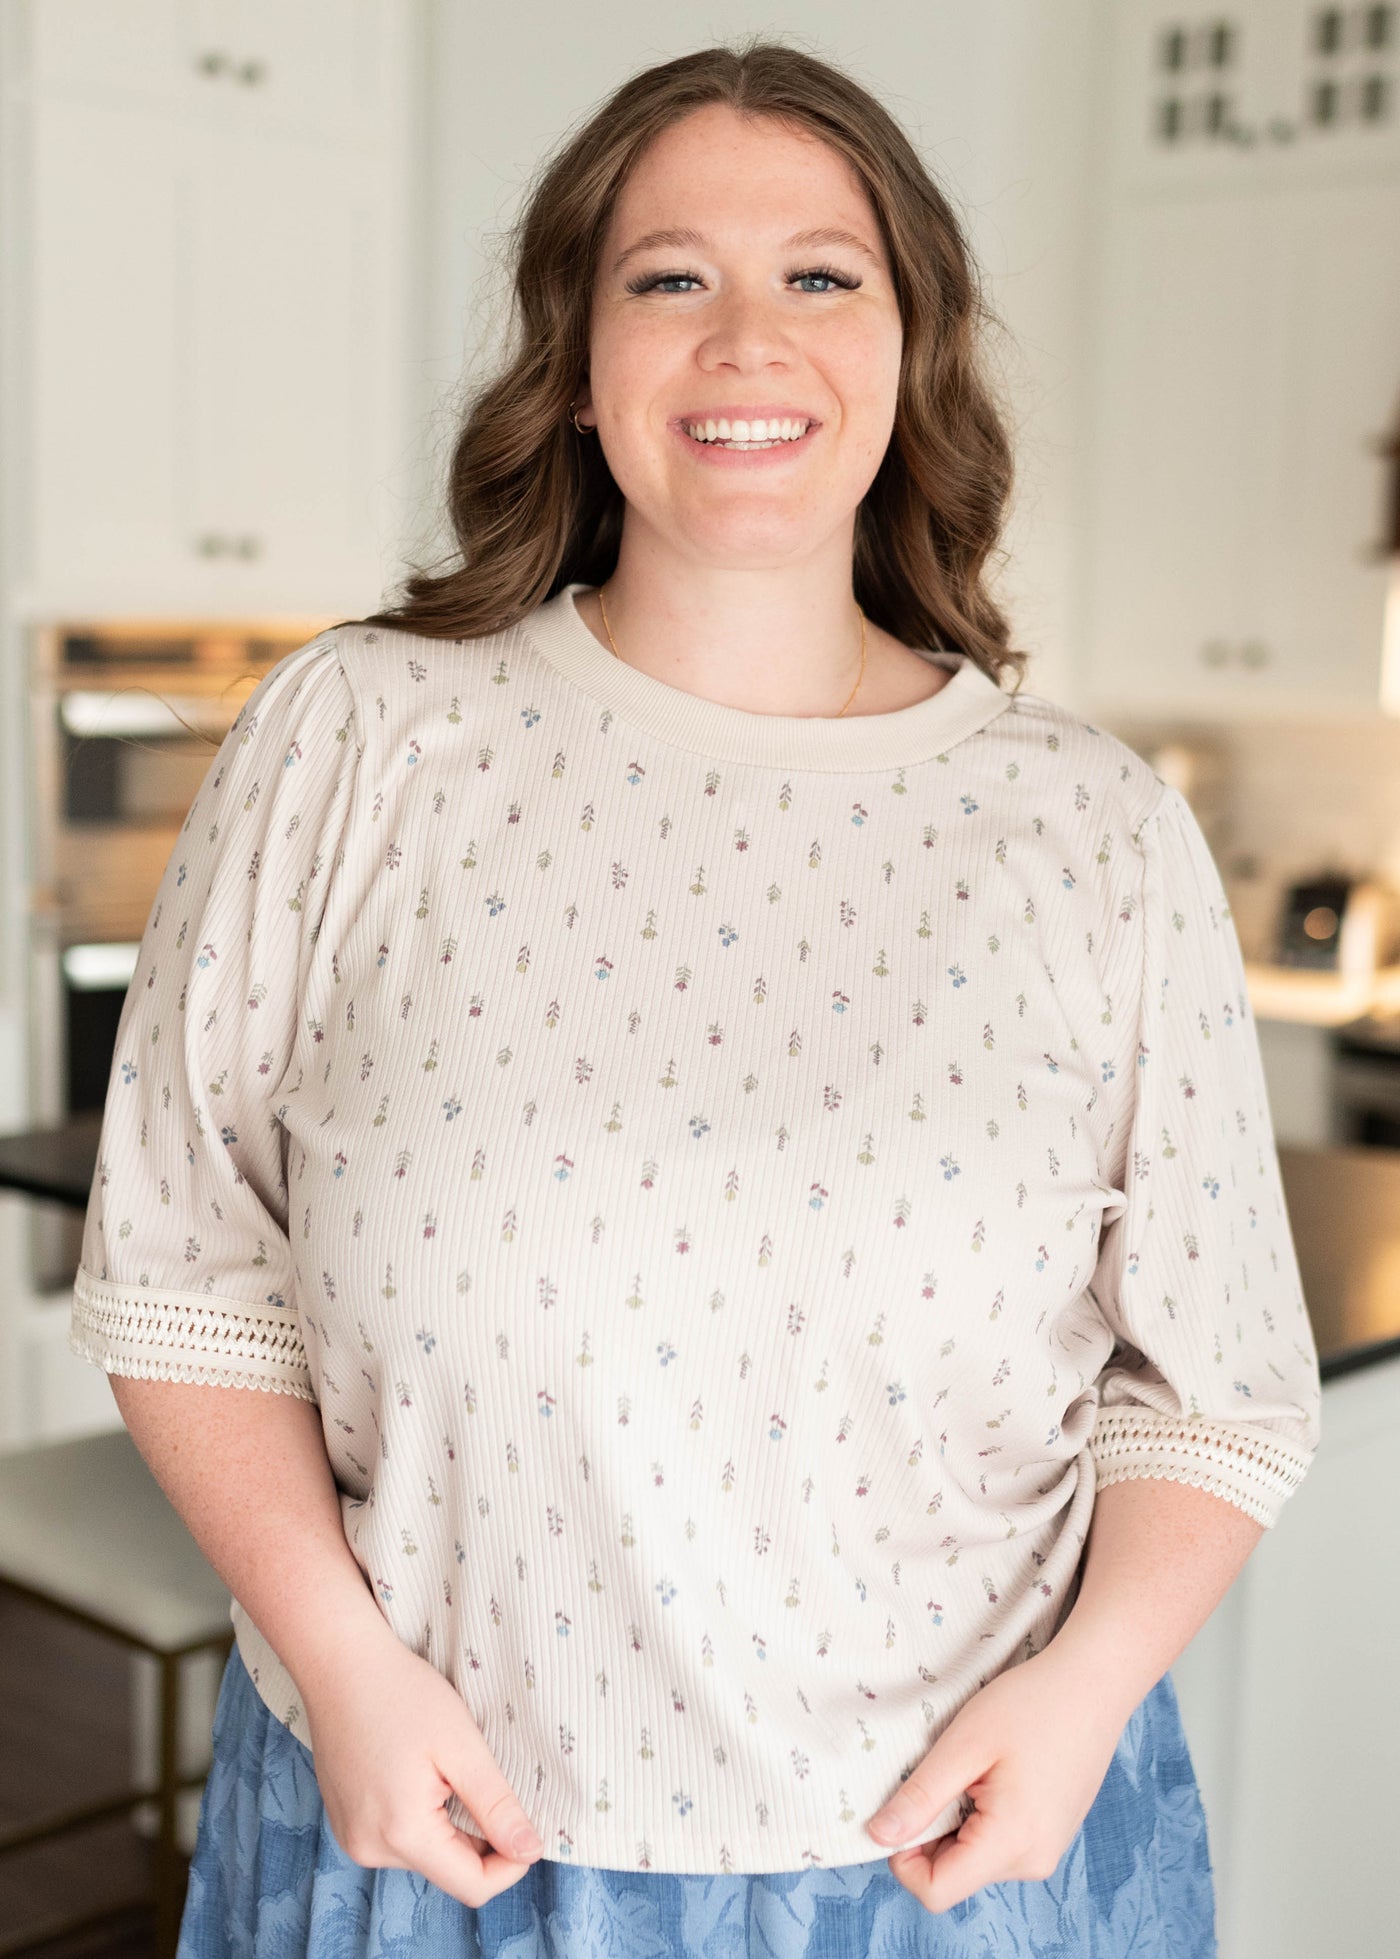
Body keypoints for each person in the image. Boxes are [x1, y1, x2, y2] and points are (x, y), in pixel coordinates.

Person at [70, 35, 1321, 1959]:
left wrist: (1082, 1704)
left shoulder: (1091, 829)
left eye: (824, 277)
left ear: (913, 357)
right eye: (672, 278)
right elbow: (179, 1269)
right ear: (577, 364)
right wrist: (341, 1663)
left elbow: (1213, 1390)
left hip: (958, 1869)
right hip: (426, 1836)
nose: (750, 340)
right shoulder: (361, 737)